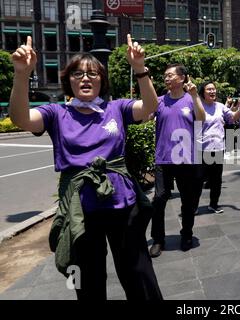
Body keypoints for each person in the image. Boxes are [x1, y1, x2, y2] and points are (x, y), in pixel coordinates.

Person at [9, 35, 162, 300]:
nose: (85, 78)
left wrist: (140, 69)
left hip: (122, 204)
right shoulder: (56, 113)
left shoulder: (116, 108)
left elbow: (150, 106)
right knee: (85, 278)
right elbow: (21, 118)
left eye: (93, 73)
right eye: (78, 73)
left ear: (102, 80)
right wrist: (21, 75)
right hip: (79, 210)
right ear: (68, 80)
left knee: (138, 270)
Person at [148, 63, 206, 258]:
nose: (166, 78)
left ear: (182, 78)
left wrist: (196, 95)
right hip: (163, 158)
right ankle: (158, 239)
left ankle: (187, 234)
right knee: (159, 199)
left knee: (188, 201)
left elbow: (201, 119)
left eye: (170, 75)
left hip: (186, 159)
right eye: (165, 75)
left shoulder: (191, 100)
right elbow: (145, 117)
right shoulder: (159, 101)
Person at [195, 81, 240, 213]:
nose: (212, 91)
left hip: (218, 149)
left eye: (213, 89)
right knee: (198, 180)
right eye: (209, 89)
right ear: (202, 93)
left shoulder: (220, 106)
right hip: (202, 149)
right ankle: (192, 206)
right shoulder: (198, 107)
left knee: (216, 180)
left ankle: (214, 204)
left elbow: (232, 118)